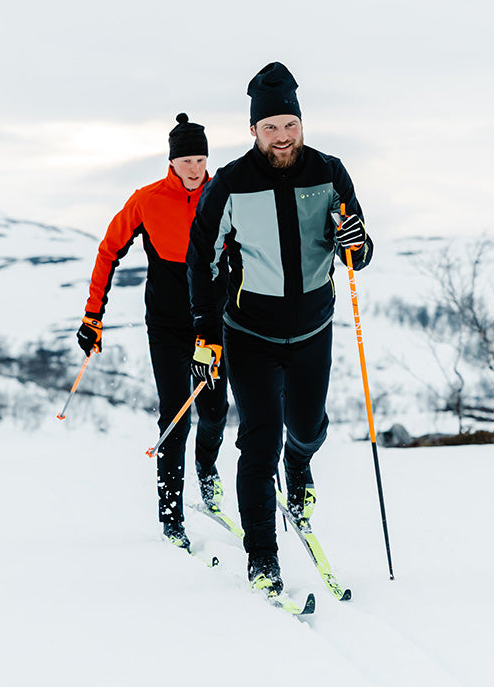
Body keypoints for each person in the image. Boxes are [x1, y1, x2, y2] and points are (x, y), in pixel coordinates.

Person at [186, 63, 373, 593]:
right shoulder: (229, 183)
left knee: (309, 428)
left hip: (314, 326)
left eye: (289, 124)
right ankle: (262, 558)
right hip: (250, 332)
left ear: (301, 122)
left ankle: (302, 463)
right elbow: (200, 259)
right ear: (253, 130)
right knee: (257, 441)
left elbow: (359, 251)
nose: (282, 136)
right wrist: (205, 328)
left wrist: (355, 242)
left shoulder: (330, 172)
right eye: (271, 127)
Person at [77, 113, 229, 551]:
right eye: (187, 160)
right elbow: (108, 252)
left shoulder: (223, 195)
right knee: (174, 415)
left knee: (216, 409)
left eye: (201, 159)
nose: (196, 168)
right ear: (172, 161)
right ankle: (171, 516)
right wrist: (93, 314)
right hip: (166, 324)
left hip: (213, 325)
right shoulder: (146, 200)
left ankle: (206, 469)